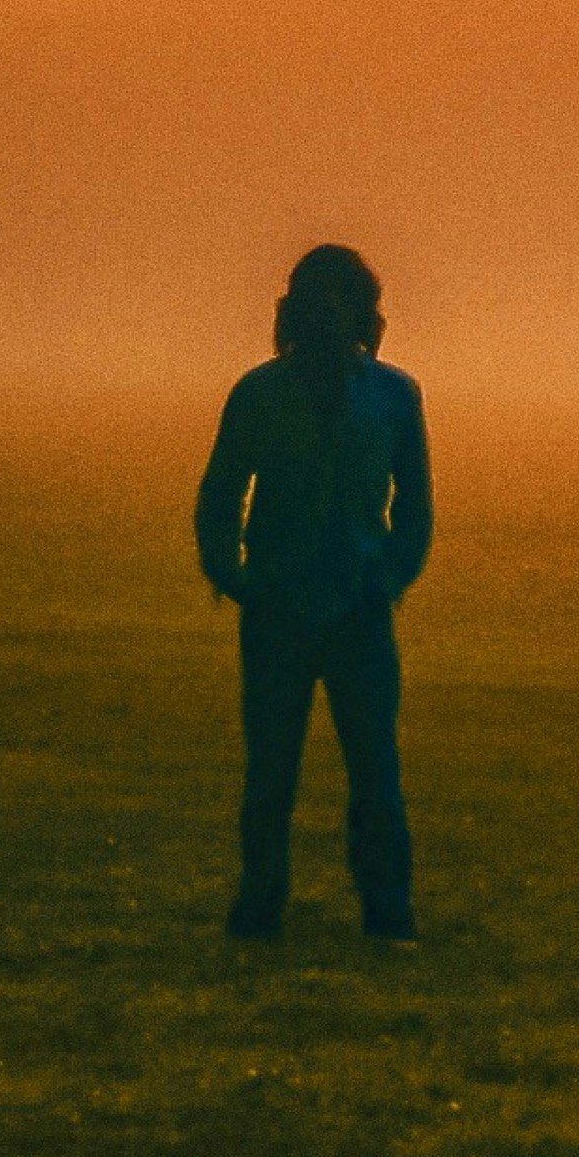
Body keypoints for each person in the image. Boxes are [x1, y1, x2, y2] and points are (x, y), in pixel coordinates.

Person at [195, 245, 434, 941]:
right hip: (301, 605)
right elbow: (219, 494)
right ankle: (331, 907)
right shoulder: (287, 394)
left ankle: (358, 907)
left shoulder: (382, 396)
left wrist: (386, 578)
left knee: (356, 770)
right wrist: (232, 573)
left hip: (333, 605)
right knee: (288, 770)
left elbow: (415, 510)